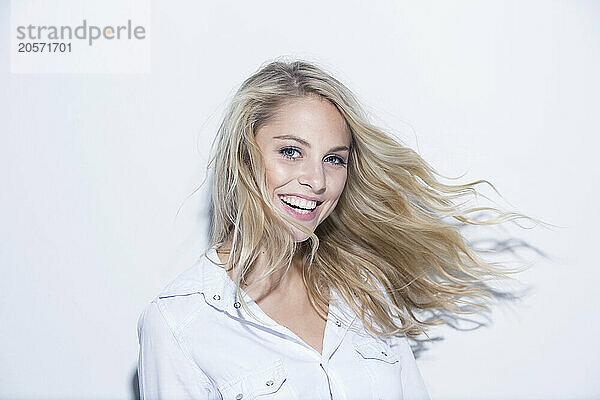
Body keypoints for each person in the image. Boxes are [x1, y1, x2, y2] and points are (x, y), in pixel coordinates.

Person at [136, 59, 538, 399]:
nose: (317, 180)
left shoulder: (363, 288)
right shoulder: (181, 320)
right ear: (244, 156)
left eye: (334, 159)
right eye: (291, 152)